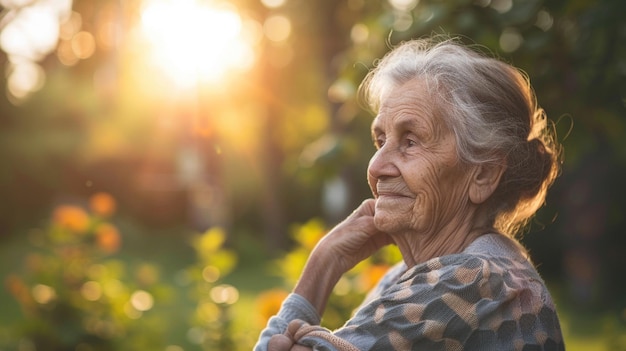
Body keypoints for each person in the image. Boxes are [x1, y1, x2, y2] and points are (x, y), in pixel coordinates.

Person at [254, 37, 565, 351]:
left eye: (411, 141)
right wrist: (328, 255)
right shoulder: (406, 277)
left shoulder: (473, 279)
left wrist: (324, 263)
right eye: (380, 140)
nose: (376, 167)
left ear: (482, 174)